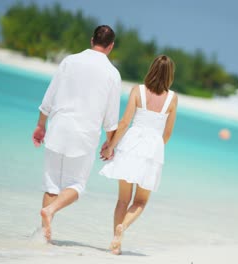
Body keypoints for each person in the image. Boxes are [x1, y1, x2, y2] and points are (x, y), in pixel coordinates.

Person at [32, 25, 121, 242]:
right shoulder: (112, 74)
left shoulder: (69, 61)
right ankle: (49, 214)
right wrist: (110, 145)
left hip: (58, 127)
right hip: (84, 135)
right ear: (110, 46)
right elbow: (111, 118)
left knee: (51, 185)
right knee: (77, 186)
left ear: (92, 40)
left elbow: (49, 96)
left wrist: (41, 125)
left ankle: (43, 238)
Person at [99, 55, 178, 255]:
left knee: (122, 200)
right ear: (170, 75)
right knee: (140, 202)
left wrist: (110, 145)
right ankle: (122, 229)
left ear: (151, 69)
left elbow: (124, 122)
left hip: (130, 144)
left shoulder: (137, 90)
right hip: (152, 149)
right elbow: (167, 133)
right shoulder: (172, 98)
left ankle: (116, 244)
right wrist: (156, 148)